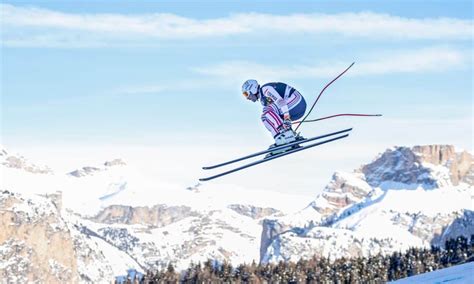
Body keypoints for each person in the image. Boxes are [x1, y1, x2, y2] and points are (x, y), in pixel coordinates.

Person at [242, 79, 307, 154]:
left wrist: (286, 118)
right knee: (265, 117)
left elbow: (280, 101)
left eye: (246, 94)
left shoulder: (265, 89)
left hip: (297, 102)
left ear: (252, 89)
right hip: (292, 109)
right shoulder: (263, 100)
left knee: (267, 110)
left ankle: (287, 134)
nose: (247, 98)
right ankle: (280, 139)